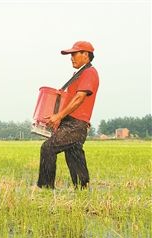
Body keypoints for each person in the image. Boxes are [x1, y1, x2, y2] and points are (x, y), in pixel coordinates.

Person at [37, 41, 99, 189]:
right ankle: (82, 188)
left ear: (86, 55)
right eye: (70, 55)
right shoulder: (79, 74)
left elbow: (79, 98)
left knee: (48, 148)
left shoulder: (89, 72)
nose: (71, 58)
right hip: (74, 122)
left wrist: (58, 116)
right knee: (74, 155)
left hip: (75, 123)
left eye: (74, 54)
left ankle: (45, 187)